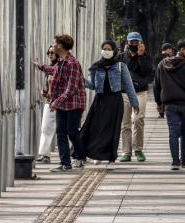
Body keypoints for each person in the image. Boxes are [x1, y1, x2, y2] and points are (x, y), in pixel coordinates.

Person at [81, 40, 140, 169]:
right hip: (100, 101)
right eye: (104, 49)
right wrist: (81, 79)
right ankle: (97, 154)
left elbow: (129, 85)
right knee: (96, 128)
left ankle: (111, 158)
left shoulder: (120, 66)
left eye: (109, 49)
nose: (106, 51)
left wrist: (134, 103)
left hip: (115, 101)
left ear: (114, 50)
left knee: (113, 130)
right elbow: (93, 85)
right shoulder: (96, 66)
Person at [32, 34, 86, 172]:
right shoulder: (61, 62)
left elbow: (72, 88)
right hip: (62, 104)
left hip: (74, 104)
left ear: (60, 46)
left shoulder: (72, 63)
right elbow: (53, 71)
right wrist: (39, 66)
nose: (53, 45)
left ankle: (80, 155)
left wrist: (57, 101)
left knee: (72, 132)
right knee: (60, 133)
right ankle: (65, 164)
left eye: (54, 43)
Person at [153, 39, 185, 170]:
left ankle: (175, 161)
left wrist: (158, 102)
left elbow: (156, 85)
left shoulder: (162, 64)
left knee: (173, 133)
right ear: (182, 49)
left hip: (169, 104)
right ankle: (184, 160)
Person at [117, 32, 152, 162]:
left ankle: (138, 149)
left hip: (140, 92)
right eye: (131, 42)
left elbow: (147, 72)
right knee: (125, 123)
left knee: (138, 120)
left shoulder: (146, 57)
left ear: (141, 43)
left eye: (136, 42)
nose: (134, 44)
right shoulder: (121, 57)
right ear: (127, 42)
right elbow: (122, 71)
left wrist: (141, 56)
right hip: (124, 92)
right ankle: (126, 151)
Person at [36, 45, 59, 164]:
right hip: (49, 102)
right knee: (46, 128)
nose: (50, 54)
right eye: (48, 52)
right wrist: (44, 92)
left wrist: (39, 65)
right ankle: (44, 154)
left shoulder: (58, 67)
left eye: (52, 52)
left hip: (58, 102)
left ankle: (78, 152)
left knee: (66, 130)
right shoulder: (50, 68)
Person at [155, 43, 175, 119]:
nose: (170, 51)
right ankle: (162, 111)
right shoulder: (161, 57)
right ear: (167, 49)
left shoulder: (159, 56)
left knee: (162, 93)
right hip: (164, 77)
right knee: (162, 93)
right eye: (169, 49)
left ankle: (162, 111)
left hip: (161, 76)